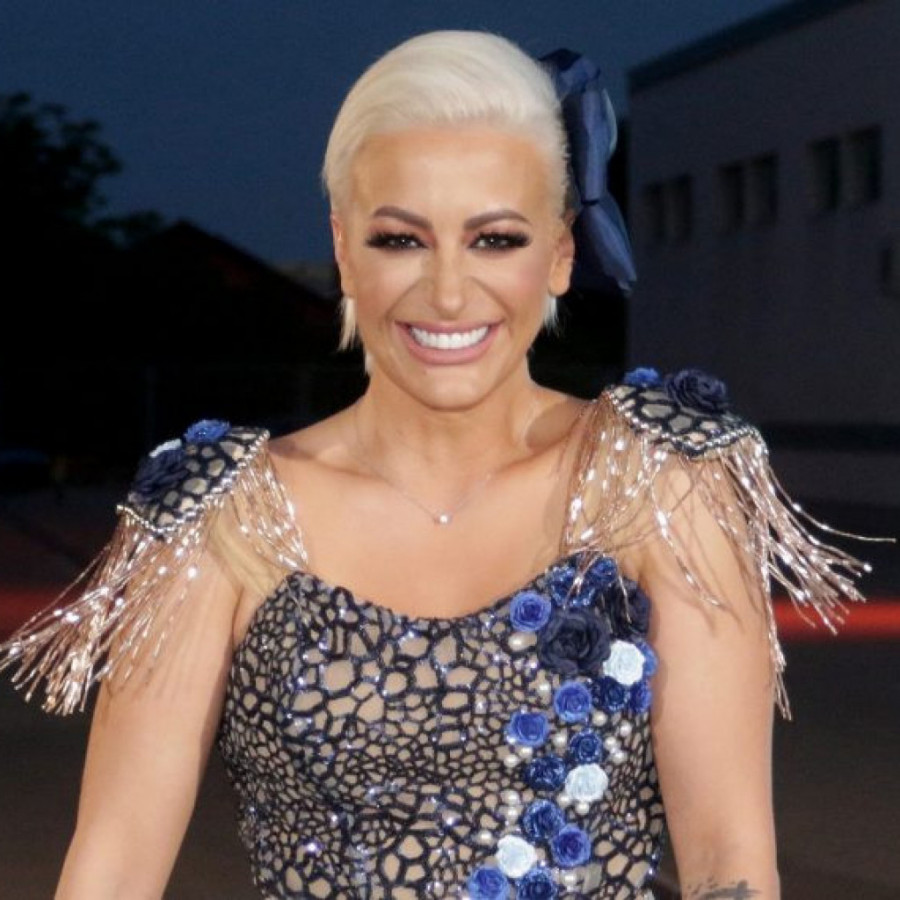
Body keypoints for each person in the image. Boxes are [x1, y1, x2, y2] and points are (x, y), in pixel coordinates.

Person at [0, 29, 873, 900]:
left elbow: (728, 858)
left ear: (561, 253)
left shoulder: (662, 481)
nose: (449, 293)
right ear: (344, 250)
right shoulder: (221, 513)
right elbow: (113, 867)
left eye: (495, 240)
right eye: (400, 240)